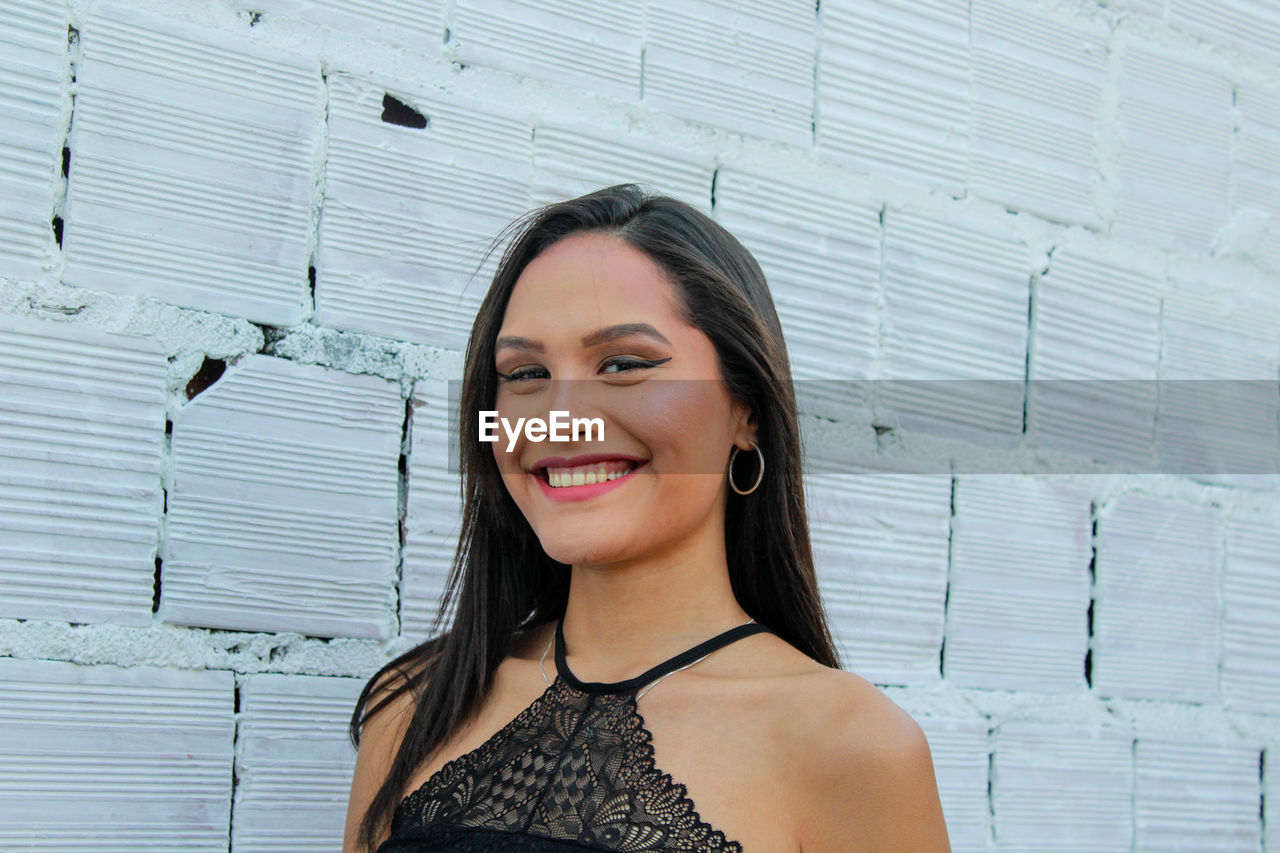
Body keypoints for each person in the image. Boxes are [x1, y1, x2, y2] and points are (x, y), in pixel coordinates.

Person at [343, 183, 951, 852]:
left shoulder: (851, 745)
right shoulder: (414, 703)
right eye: (524, 374)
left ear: (745, 410)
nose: (558, 415)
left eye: (624, 363)